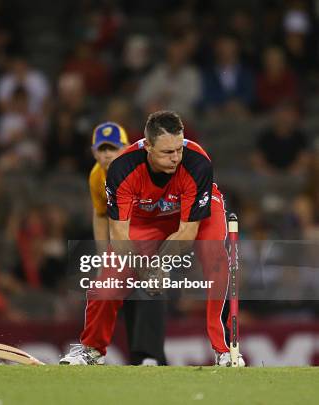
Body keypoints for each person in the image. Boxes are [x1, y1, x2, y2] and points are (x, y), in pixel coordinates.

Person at [71, 111, 245, 367]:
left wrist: (160, 266)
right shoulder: (122, 168)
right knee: (108, 282)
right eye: (167, 152)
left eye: (179, 149)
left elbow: (187, 232)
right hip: (148, 218)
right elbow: (119, 235)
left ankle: (224, 349)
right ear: (147, 146)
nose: (175, 158)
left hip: (193, 217)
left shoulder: (197, 162)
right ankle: (92, 350)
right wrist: (144, 270)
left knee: (216, 258)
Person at [59, 122, 167, 366]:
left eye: (113, 148)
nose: (107, 154)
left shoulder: (145, 168)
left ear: (126, 148)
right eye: (102, 148)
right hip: (126, 236)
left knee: (151, 286)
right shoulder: (97, 176)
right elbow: (100, 215)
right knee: (105, 288)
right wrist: (101, 259)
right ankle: (94, 352)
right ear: (93, 152)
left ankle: (151, 357)